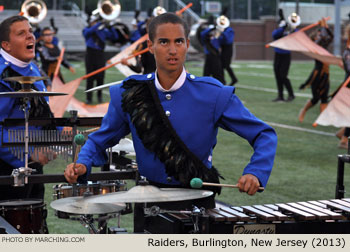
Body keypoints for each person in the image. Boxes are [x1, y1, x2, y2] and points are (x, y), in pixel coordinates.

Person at [64, 13, 277, 232]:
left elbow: (264, 134)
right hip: (147, 201)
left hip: (198, 202)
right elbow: (100, 139)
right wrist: (83, 162)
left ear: (187, 45)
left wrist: (255, 172)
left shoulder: (213, 94)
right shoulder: (131, 94)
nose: (172, 50)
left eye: (178, 42)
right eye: (164, 42)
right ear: (150, 46)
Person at [0, 16, 57, 202]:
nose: (30, 36)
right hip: (6, 170)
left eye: (30, 31)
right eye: (21, 33)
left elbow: (41, 114)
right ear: (6, 45)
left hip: (33, 166)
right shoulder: (3, 75)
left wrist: (56, 136)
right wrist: (27, 153)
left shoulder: (32, 70)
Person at [298, 18, 333, 123]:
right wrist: (323, 27)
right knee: (315, 98)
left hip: (326, 74)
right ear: (313, 39)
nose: (320, 35)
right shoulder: (314, 46)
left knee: (324, 98)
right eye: (317, 35)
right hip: (317, 75)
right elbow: (322, 38)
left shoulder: (323, 44)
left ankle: (322, 119)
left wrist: (326, 27)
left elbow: (330, 37)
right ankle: (303, 110)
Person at [83, 15, 120, 104]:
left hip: (100, 55)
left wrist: (111, 27)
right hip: (90, 55)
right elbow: (89, 32)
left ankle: (99, 97)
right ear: (91, 22)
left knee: (100, 78)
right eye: (94, 22)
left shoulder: (103, 31)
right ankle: (89, 98)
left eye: (96, 22)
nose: (95, 23)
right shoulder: (86, 30)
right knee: (90, 78)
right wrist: (99, 23)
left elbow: (115, 37)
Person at [271, 13, 300, 102]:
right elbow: (274, 35)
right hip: (278, 54)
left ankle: (291, 94)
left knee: (283, 75)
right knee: (277, 74)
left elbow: (297, 35)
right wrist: (283, 27)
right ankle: (280, 95)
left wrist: (292, 28)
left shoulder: (293, 31)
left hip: (286, 54)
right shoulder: (280, 30)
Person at [200, 16, 225, 84]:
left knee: (218, 73)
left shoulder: (217, 36)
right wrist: (212, 28)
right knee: (206, 74)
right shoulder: (205, 36)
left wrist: (219, 30)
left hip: (216, 55)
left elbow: (223, 40)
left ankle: (221, 86)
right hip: (209, 55)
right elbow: (202, 34)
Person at [217, 15, 238, 85]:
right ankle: (224, 80)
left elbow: (229, 40)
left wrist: (222, 33)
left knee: (226, 65)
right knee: (221, 66)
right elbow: (219, 41)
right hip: (223, 49)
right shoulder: (221, 30)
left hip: (228, 49)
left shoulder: (230, 30)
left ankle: (233, 79)